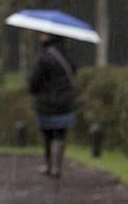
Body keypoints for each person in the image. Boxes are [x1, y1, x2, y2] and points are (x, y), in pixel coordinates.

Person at [29, 33, 78, 178]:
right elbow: (74, 71)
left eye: (44, 34)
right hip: (65, 101)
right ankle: (58, 166)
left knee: (48, 135)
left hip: (46, 103)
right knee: (60, 134)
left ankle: (50, 165)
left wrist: (34, 90)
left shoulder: (43, 57)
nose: (40, 35)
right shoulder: (68, 55)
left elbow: (35, 81)